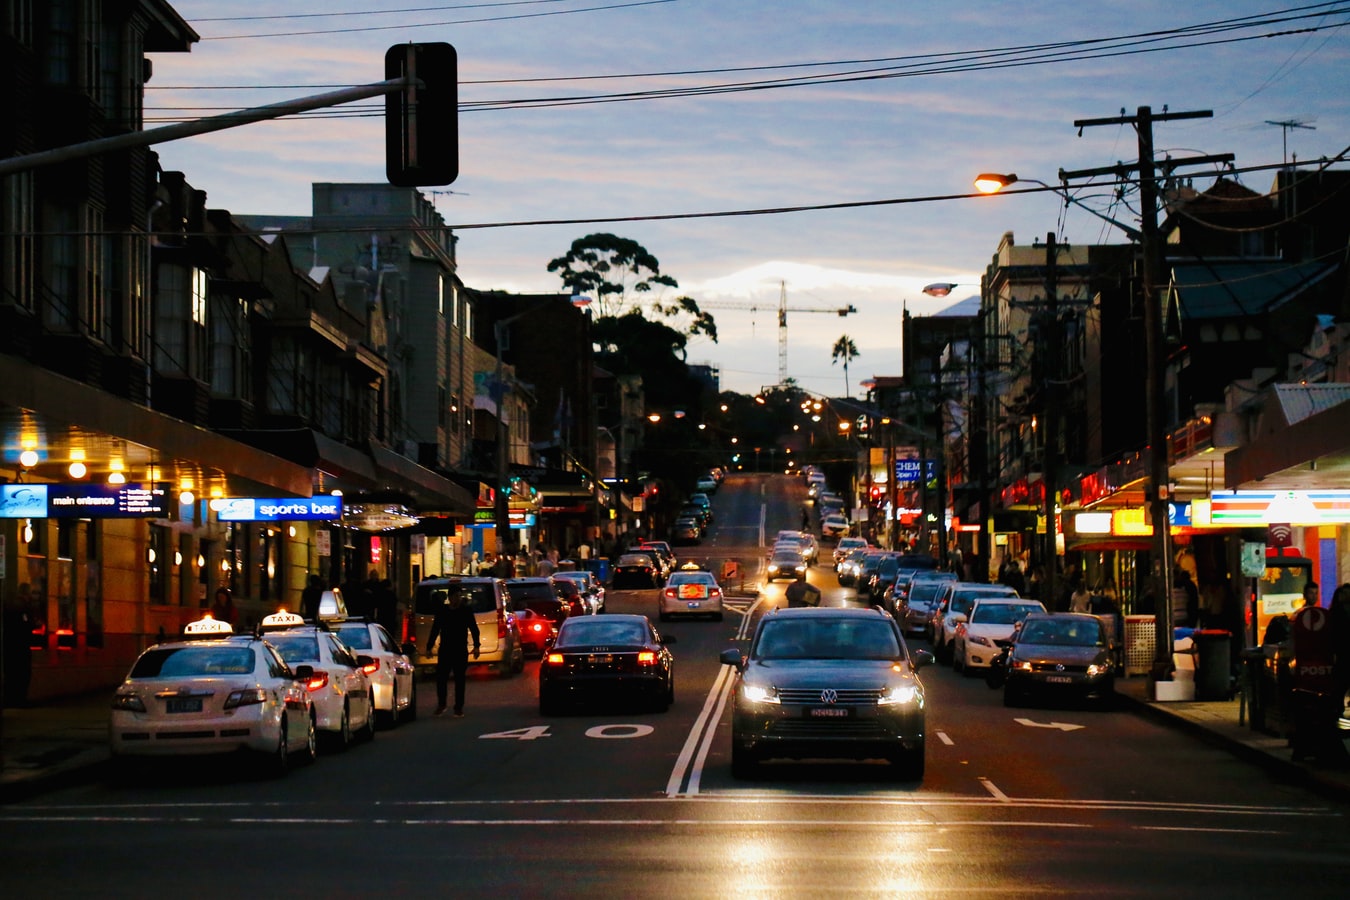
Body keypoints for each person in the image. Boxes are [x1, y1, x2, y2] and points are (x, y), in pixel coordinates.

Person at [425, 583, 480, 717]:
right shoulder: (443, 611)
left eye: (459, 596)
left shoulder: (465, 611)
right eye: (455, 596)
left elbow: (473, 628)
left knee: (459, 679)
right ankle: (442, 704)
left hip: (460, 648)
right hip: (445, 649)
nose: (458, 599)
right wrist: (429, 646)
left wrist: (476, 646)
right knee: (441, 678)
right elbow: (435, 629)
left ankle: (458, 707)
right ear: (450, 597)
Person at [2, 582, 35, 707]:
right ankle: (20, 699)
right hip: (21, 645)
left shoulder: (9, 606)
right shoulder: (23, 607)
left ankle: (10, 699)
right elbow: (27, 624)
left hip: (10, 645)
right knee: (22, 673)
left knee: (11, 674)